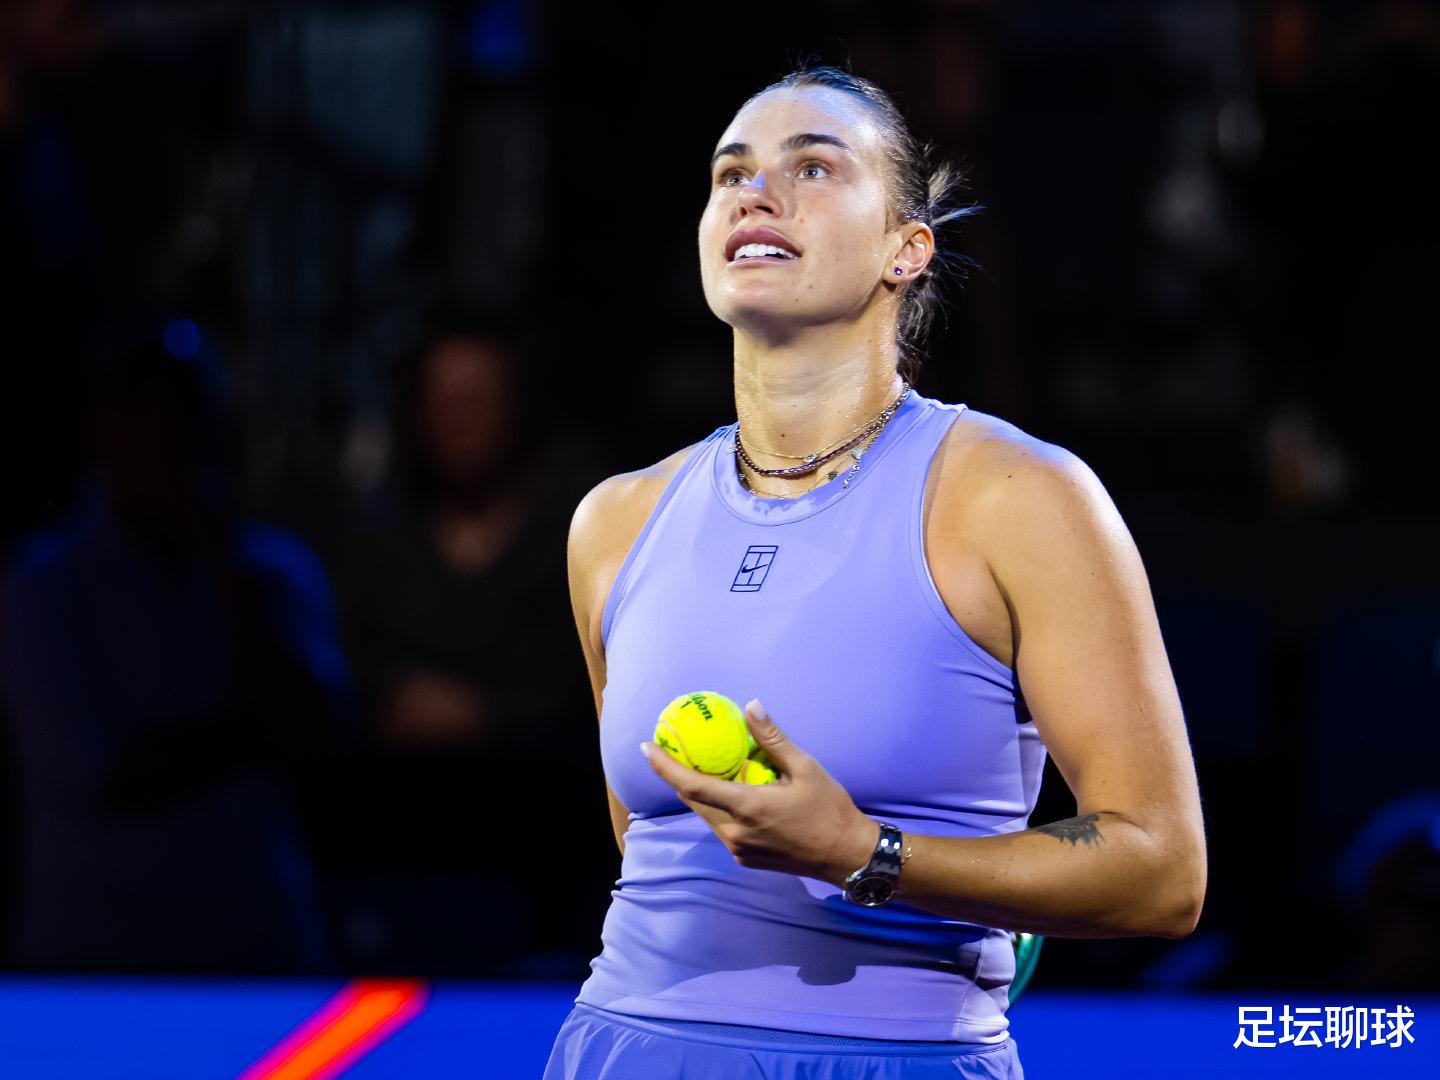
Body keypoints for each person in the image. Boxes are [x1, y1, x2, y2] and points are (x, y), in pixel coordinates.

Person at [545, 65, 1207, 1079]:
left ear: (907, 249)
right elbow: (648, 849)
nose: (756, 194)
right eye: (731, 175)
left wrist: (865, 853)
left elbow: (1163, 872)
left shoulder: (1021, 498)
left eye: (813, 167)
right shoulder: (613, 522)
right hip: (623, 1050)